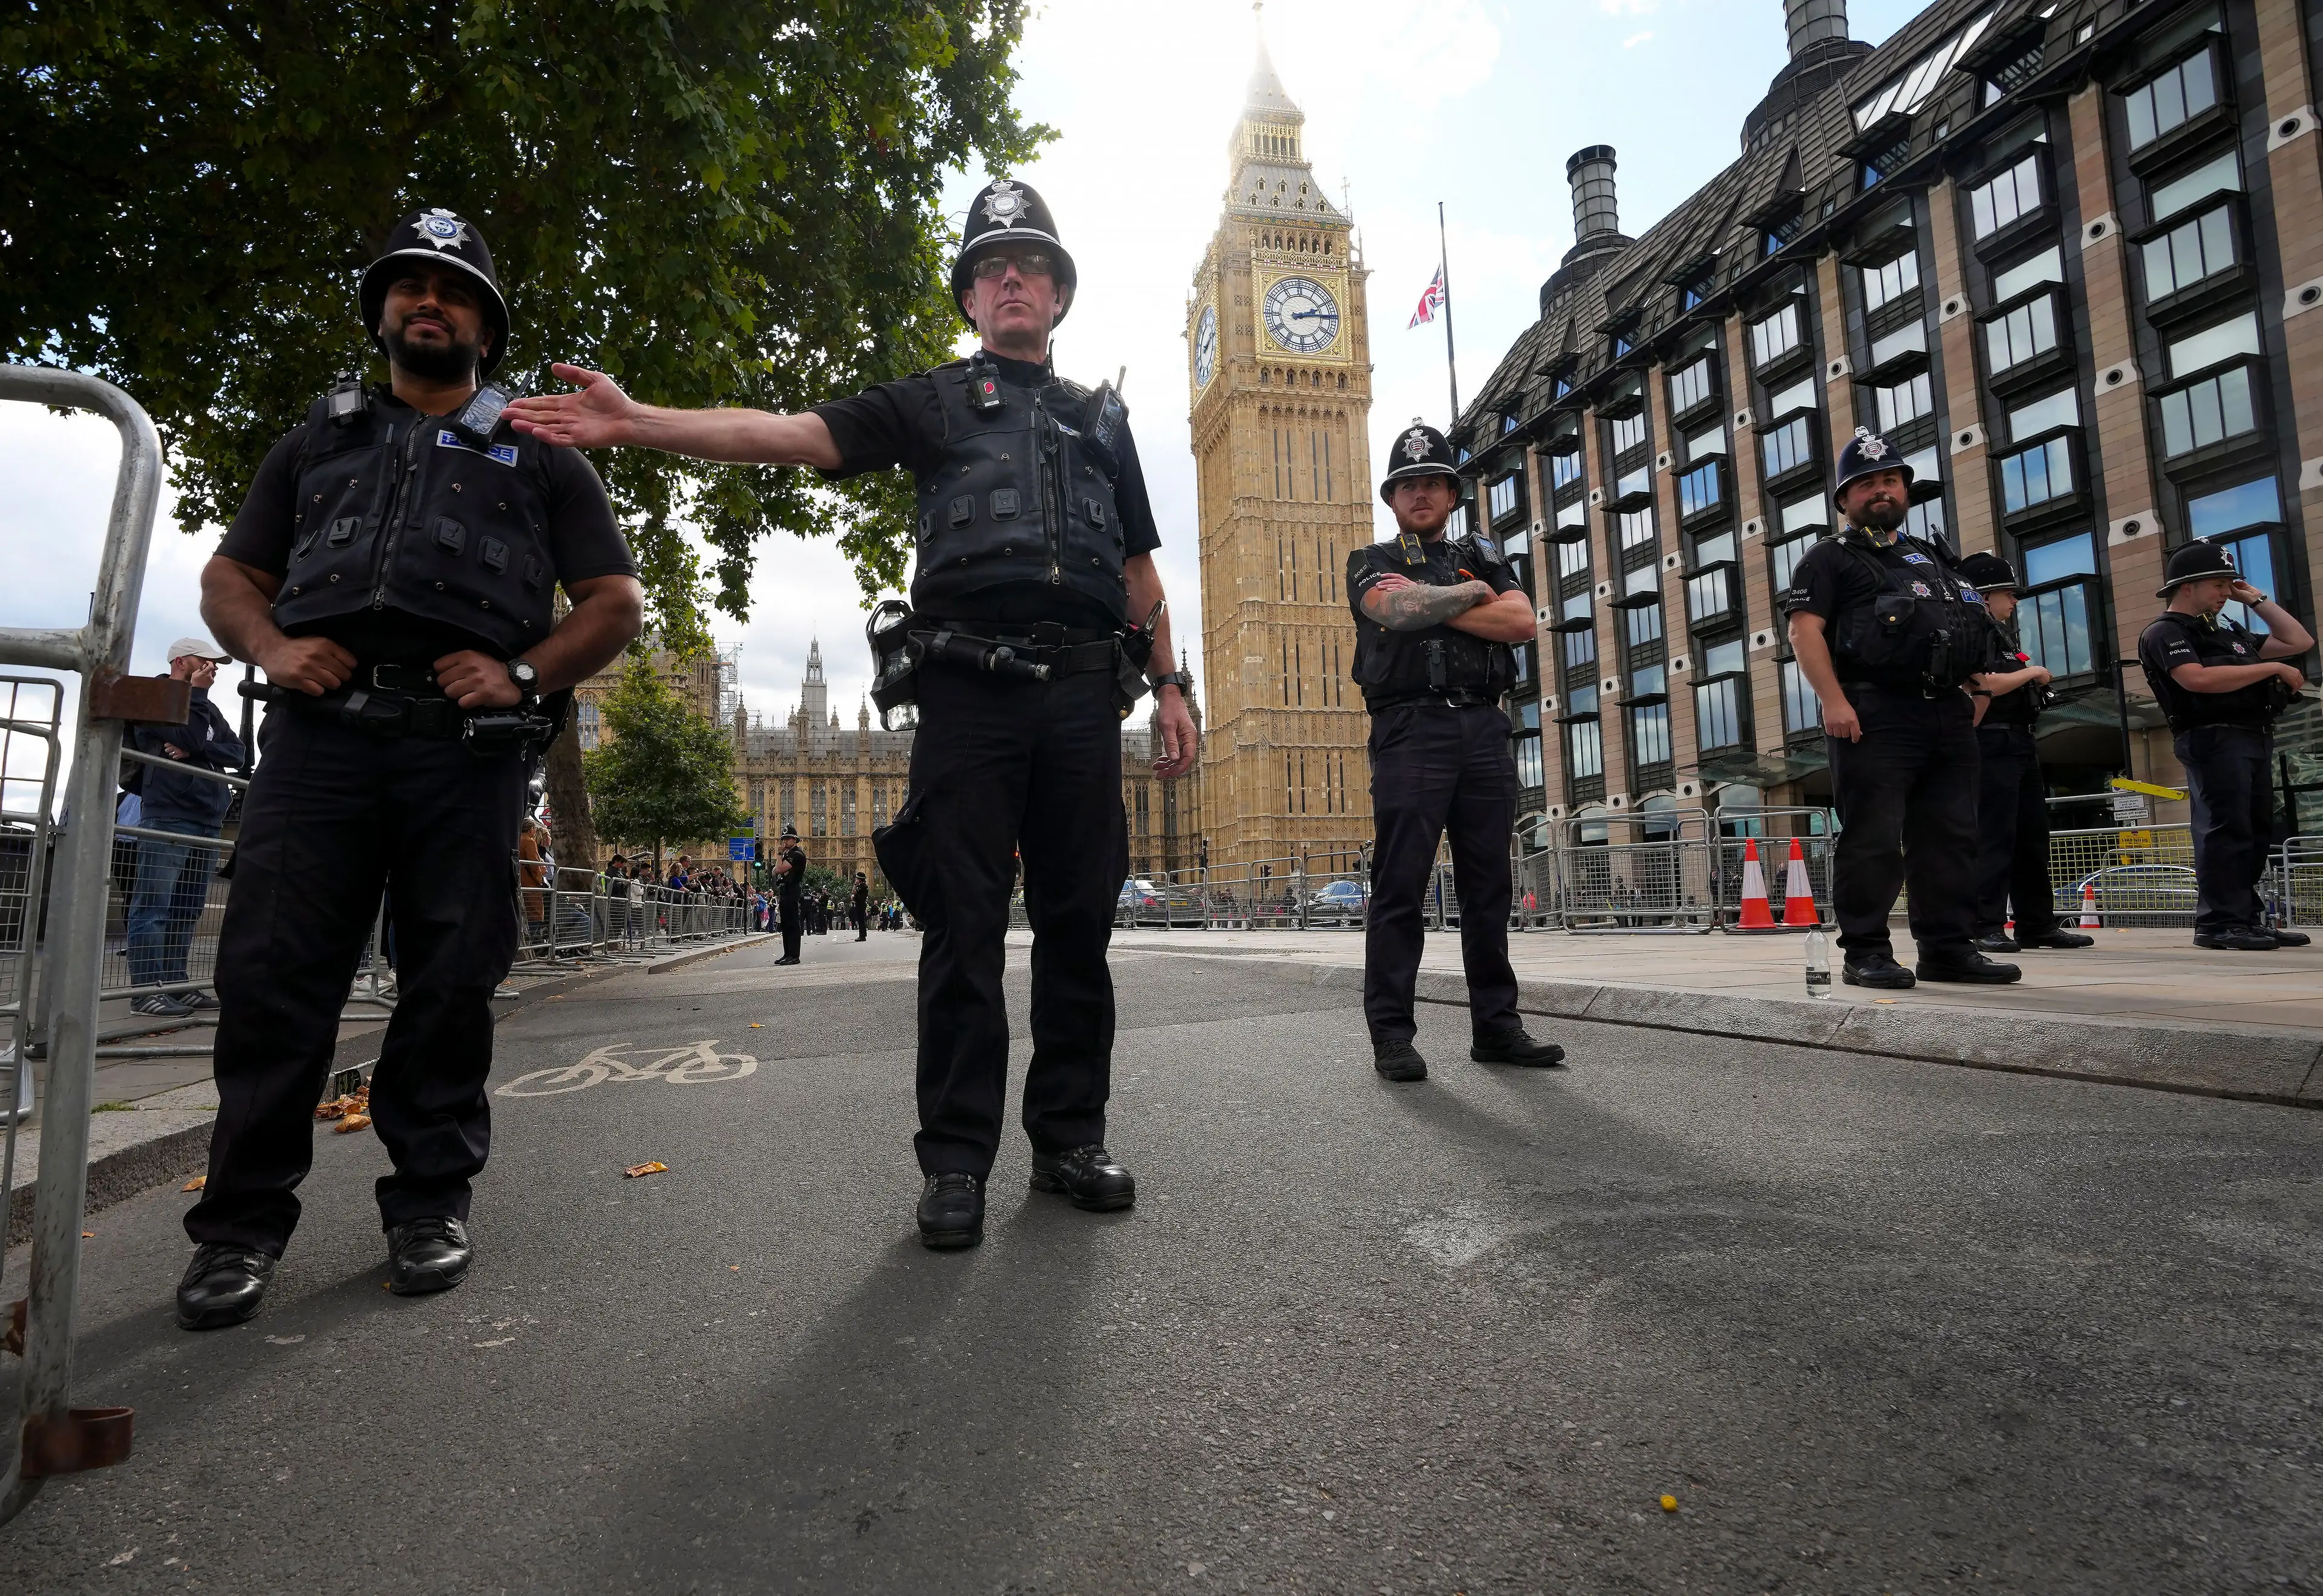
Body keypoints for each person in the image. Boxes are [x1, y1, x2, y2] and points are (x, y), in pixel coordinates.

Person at [509, 175, 1197, 1249]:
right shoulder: (931, 401)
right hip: (970, 690)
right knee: (964, 928)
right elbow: (789, 434)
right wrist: (637, 420)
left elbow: (1141, 566)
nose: (1012, 280)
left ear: (1059, 296)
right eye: (991, 268)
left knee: (1078, 929)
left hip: (1079, 694)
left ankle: (1068, 1135)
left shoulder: (1103, 417)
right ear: (971, 298)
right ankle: (958, 1158)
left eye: (1033, 267)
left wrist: (1170, 684)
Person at [175, 207, 645, 1331]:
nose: (428, 302)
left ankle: (429, 1201)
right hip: (321, 743)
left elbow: (614, 605)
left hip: (461, 752)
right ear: (383, 311)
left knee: (448, 985)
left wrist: (526, 677)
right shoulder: (318, 439)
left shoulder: (541, 449)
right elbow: (229, 577)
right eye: (410, 287)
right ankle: (238, 1227)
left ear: (485, 323)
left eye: (454, 290)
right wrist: (278, 647)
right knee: (275, 982)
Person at [1345, 422, 1564, 1082]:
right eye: (1408, 484)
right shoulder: (1369, 559)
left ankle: (1497, 1026)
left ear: (1450, 492)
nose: (1421, 493)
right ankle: (1392, 1034)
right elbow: (1396, 611)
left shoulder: (1486, 552)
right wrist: (1471, 594)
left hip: (1482, 725)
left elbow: (1522, 623)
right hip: (1411, 729)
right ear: (1392, 497)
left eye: (1432, 482)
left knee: (1488, 888)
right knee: (1401, 886)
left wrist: (1438, 601)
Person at [1783, 427, 2018, 990]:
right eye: (1865, 484)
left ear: (1906, 491)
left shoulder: (1933, 560)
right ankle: (1865, 951)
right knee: (1873, 838)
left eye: (1890, 480)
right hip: (1872, 710)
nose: (1880, 491)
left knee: (1952, 836)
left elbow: (1966, 633)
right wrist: (1833, 702)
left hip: (1944, 713)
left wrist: (1978, 694)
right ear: (1844, 500)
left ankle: (1948, 948)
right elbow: (1803, 633)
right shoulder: (1828, 559)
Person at [2137, 540, 2316, 950]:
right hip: (2211, 735)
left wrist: (2255, 599)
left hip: (2251, 734)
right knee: (2225, 828)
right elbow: (2195, 679)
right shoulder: (2166, 631)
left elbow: (2298, 641)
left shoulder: (2225, 631)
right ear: (2187, 586)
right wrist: (2271, 668)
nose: (2224, 593)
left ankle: (2245, 918)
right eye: (2217, 584)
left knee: (2254, 829)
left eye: (2227, 585)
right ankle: (2219, 923)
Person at [1958, 552, 2093, 954]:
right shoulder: (1971, 631)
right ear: (1984, 596)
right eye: (2007, 594)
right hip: (1991, 740)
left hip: (2018, 740)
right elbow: (1981, 685)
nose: (2014, 602)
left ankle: (2037, 924)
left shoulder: (2000, 634)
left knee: (2032, 839)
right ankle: (1986, 924)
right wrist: (2032, 673)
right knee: (1995, 837)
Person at [125, 638, 246, 1017]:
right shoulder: (155, 695)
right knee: (154, 903)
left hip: (208, 816)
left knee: (188, 906)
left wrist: (196, 748)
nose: (213, 667)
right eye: (205, 659)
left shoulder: (206, 705)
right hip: (170, 811)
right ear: (180, 660)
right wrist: (195, 710)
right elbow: (189, 737)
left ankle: (176, 985)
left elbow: (238, 753)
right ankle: (146, 990)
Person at [773, 823, 806, 966]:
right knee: (785, 924)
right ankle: (787, 954)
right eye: (783, 839)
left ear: (794, 839)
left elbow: (779, 869)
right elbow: (775, 869)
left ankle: (794, 955)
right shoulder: (788, 853)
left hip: (793, 889)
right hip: (785, 890)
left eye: (787, 839)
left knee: (793, 924)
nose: (784, 842)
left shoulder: (797, 854)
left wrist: (780, 854)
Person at [852, 871, 871, 943]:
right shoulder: (863, 886)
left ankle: (862, 936)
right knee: (861, 921)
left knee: (861, 921)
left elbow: (853, 892)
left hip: (860, 905)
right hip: (860, 904)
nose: (856, 880)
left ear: (859, 879)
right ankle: (862, 936)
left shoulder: (862, 886)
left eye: (857, 879)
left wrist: (855, 885)